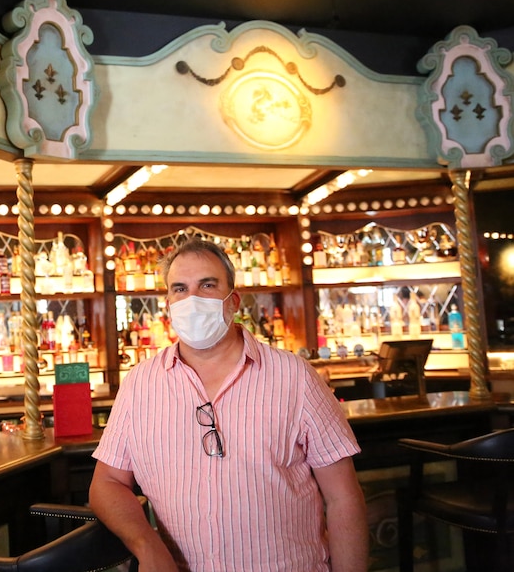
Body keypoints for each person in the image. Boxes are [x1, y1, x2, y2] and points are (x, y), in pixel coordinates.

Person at [90, 238, 368, 571]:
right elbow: (107, 482)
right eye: (180, 289)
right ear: (168, 304)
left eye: (207, 285)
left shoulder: (294, 376)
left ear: (232, 300)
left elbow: (343, 498)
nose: (192, 299)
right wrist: (147, 545)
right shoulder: (140, 384)